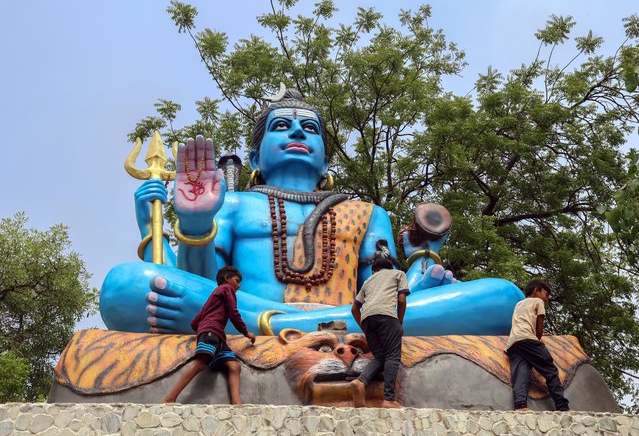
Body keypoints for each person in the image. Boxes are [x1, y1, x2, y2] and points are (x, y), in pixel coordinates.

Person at [100, 88, 524, 337]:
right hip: (340, 323)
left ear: (325, 162)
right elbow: (200, 283)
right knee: (123, 286)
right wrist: (194, 224)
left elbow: (378, 292)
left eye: (310, 129)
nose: (298, 132)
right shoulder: (233, 203)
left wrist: (417, 274)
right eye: (281, 127)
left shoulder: (366, 213)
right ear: (255, 155)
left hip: (283, 318)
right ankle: (327, 327)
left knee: (504, 298)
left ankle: (270, 325)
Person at [163, 266, 256, 404]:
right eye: (236, 281)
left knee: (234, 366)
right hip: (212, 332)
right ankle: (170, 398)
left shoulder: (213, 297)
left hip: (217, 335)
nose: (238, 285)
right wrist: (246, 332)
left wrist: (201, 329)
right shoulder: (226, 289)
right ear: (227, 278)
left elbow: (195, 322)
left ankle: (237, 405)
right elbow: (233, 313)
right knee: (200, 363)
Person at [350, 257, 408, 408]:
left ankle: (360, 382)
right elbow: (401, 299)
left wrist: (364, 326)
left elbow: (354, 308)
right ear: (389, 267)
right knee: (393, 356)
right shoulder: (398, 274)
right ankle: (388, 400)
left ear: (373, 271)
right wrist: (399, 322)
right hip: (386, 316)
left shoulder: (368, 281)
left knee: (381, 357)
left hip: (367, 319)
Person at [505, 279, 569, 411]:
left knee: (521, 373)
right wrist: (538, 338)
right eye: (546, 294)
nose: (547, 299)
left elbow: (523, 322)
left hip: (513, 343)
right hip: (528, 339)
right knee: (550, 370)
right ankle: (562, 406)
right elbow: (539, 327)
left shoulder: (519, 304)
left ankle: (521, 405)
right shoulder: (538, 302)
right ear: (536, 290)